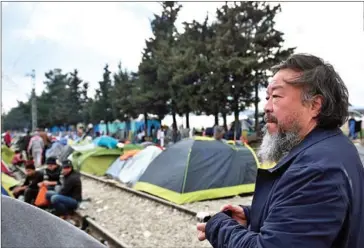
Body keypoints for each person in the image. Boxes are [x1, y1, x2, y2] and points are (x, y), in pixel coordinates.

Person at [197, 54, 364, 247]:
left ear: (314, 105)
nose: (267, 107)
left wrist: (217, 224)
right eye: (267, 97)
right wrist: (254, 216)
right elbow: (310, 220)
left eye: (276, 96)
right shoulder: (335, 146)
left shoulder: (317, 170)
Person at [2, 195, 105, 248]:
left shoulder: (72, 178)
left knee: (54, 197)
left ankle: (65, 213)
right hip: (66, 196)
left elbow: (64, 191)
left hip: (74, 201)